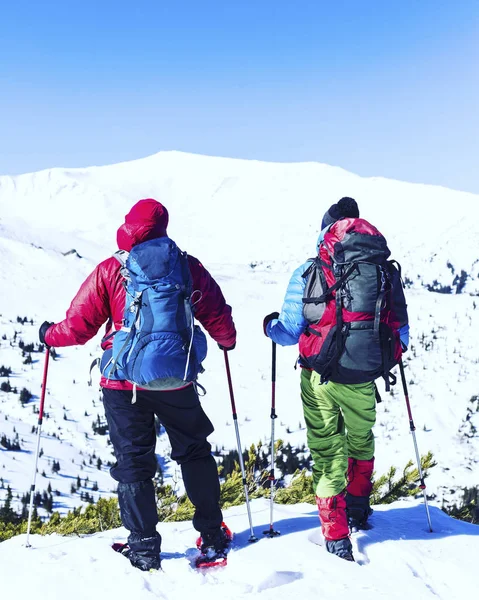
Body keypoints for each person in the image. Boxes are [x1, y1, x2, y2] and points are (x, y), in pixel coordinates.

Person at [39, 198, 236, 571]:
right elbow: (217, 315)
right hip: (176, 379)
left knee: (134, 463)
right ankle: (212, 534)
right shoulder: (186, 266)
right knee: (194, 451)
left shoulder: (112, 269)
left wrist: (50, 334)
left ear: (129, 226)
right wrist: (226, 340)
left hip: (121, 381)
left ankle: (144, 547)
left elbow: (78, 327)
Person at [263, 197, 409, 561]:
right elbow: (401, 333)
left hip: (320, 378)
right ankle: (359, 509)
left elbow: (290, 331)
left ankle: (336, 535)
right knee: (361, 439)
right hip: (363, 375)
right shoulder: (382, 269)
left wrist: (269, 327)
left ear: (326, 230)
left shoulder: (310, 270)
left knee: (328, 452)